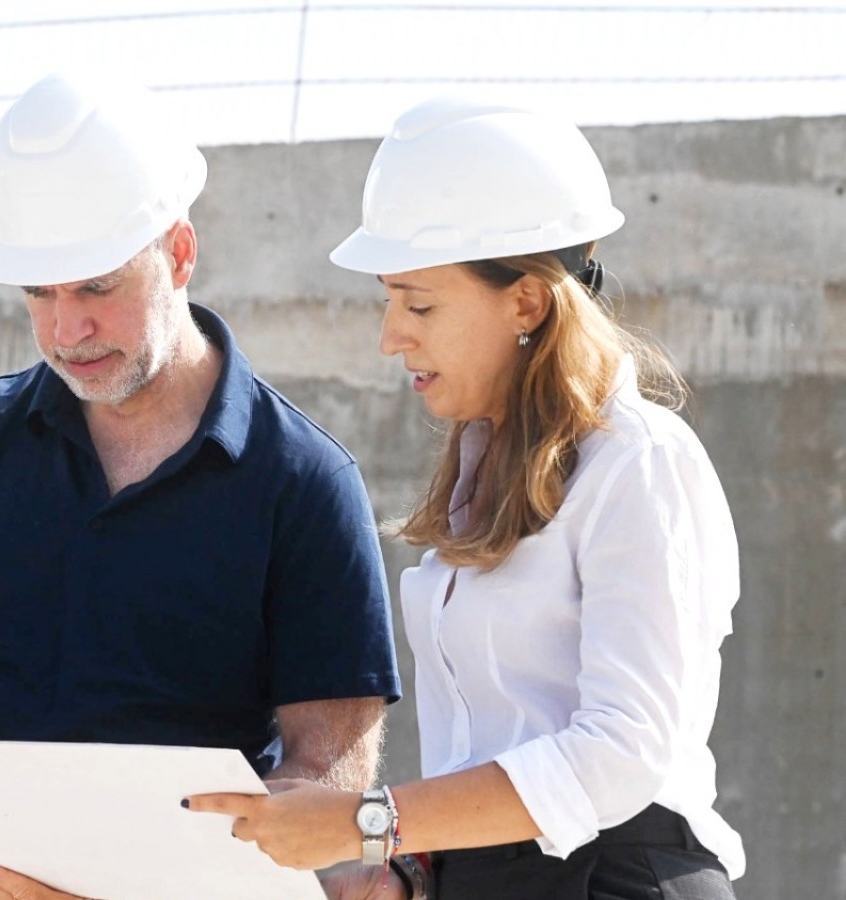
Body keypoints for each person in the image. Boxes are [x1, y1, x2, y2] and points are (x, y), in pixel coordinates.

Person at [0, 72, 403, 900]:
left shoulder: (305, 481)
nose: (66, 330)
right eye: (38, 292)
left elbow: (328, 775)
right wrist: (6, 815)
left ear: (179, 253)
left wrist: (125, 880)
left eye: (96, 285)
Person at [188, 98, 744, 900]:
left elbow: (623, 754)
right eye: (389, 300)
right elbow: (496, 752)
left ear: (527, 302)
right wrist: (413, 872)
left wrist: (367, 823)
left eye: (420, 304)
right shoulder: (484, 474)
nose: (391, 336)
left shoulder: (638, 463)